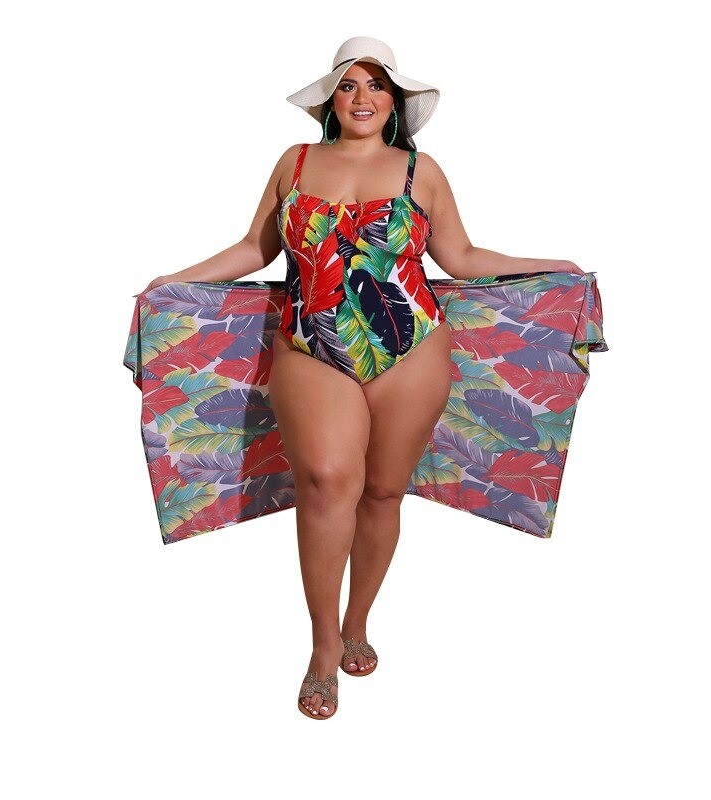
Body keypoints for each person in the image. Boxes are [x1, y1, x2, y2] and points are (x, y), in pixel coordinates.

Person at [139, 36, 585, 720]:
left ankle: (358, 623)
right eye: (349, 85)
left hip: (413, 348)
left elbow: (461, 257)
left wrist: (549, 265)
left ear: (395, 102)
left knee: (381, 492)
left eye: (377, 85)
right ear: (331, 100)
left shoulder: (420, 171)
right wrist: (174, 279)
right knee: (325, 480)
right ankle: (323, 646)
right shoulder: (294, 163)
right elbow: (256, 248)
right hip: (310, 342)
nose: (363, 97)